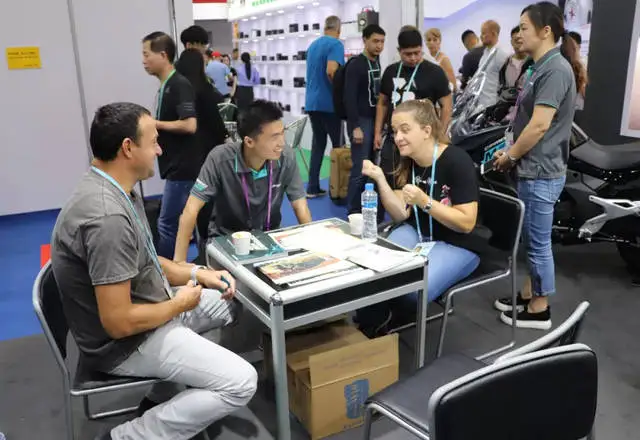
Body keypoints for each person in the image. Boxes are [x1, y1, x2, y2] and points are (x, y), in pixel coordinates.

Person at [50, 102, 257, 440]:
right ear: (128, 148)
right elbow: (118, 322)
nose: (160, 150)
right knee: (242, 382)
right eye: (154, 142)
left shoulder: (116, 188)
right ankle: (127, 436)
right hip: (126, 343)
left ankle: (165, 392)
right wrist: (178, 305)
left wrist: (197, 274)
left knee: (232, 301)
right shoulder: (107, 218)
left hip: (149, 308)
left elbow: (143, 262)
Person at [493, 1, 586, 329]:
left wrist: (510, 156)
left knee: (538, 241)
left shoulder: (555, 70)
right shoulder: (540, 66)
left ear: (546, 31)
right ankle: (529, 293)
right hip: (533, 168)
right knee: (532, 238)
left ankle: (540, 309)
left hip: (540, 170)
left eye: (524, 27)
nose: (519, 34)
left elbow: (538, 126)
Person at [356, 99, 480, 335]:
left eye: (405, 130)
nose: (398, 137)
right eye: (395, 131)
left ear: (426, 131)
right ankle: (375, 321)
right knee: (375, 267)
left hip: (458, 242)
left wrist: (425, 201)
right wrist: (380, 179)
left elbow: (466, 224)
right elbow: (400, 213)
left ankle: (388, 316)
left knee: (413, 289)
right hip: (418, 231)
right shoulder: (407, 160)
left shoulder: (457, 161)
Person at [174, 100, 312, 262]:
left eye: (283, 133)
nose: (282, 143)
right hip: (228, 240)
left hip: (270, 239)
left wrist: (313, 246)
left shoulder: (286, 157)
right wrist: (179, 263)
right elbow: (190, 210)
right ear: (249, 142)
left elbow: (300, 205)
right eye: (274, 137)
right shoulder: (220, 159)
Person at [375, 28, 452, 203]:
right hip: (394, 139)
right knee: (387, 184)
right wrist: (377, 132)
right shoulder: (390, 71)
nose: (413, 58)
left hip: (422, 141)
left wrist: (439, 134)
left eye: (417, 53)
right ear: (399, 51)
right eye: (407, 54)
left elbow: (447, 106)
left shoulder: (435, 72)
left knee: (418, 186)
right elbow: (382, 103)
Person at [142, 32, 199, 259]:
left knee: (166, 223)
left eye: (147, 54)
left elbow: (189, 124)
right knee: (182, 221)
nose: (144, 61)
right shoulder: (166, 85)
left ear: (163, 55)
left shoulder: (179, 84)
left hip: (183, 167)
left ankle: (165, 272)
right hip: (176, 165)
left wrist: (154, 123)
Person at [343, 24, 386, 214]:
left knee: (371, 168)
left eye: (382, 42)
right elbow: (349, 98)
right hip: (360, 122)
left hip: (373, 120)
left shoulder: (376, 62)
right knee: (359, 169)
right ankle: (352, 212)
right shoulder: (356, 65)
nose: (379, 45)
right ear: (365, 40)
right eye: (375, 41)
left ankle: (364, 208)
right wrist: (355, 127)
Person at [305, 15, 345, 198]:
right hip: (329, 104)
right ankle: (340, 189)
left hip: (312, 102)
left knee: (318, 144)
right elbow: (331, 71)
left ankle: (312, 187)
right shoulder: (336, 44)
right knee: (339, 147)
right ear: (339, 29)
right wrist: (341, 92)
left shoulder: (313, 45)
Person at [175, 48, 227, 163]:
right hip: (206, 149)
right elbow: (215, 122)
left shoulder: (177, 89)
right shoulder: (205, 90)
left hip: (182, 151)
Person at [477, 20, 510, 110]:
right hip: (482, 103)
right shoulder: (485, 53)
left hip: (493, 104)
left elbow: (508, 81)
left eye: (484, 33)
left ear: (494, 34)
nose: (481, 36)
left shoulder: (501, 54)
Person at [425, 28, 457, 93]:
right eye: (429, 40)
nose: (431, 42)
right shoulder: (425, 58)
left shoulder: (444, 59)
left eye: (435, 40)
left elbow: (454, 86)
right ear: (426, 43)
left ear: (440, 41)